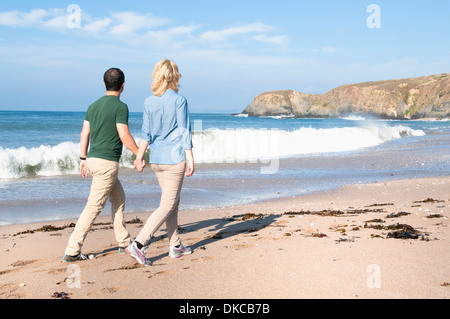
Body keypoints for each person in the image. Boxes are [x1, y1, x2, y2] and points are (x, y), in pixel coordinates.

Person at [62, 68, 139, 262]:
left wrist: (82, 159)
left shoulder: (93, 106)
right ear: (123, 86)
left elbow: (84, 134)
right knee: (93, 207)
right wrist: (139, 154)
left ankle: (123, 242)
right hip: (106, 164)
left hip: (92, 160)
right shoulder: (121, 107)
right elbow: (124, 135)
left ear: (104, 84)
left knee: (119, 198)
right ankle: (72, 250)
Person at [126, 59, 194, 267]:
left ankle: (175, 245)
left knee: (173, 201)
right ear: (174, 76)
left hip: (156, 159)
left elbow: (145, 133)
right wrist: (190, 157)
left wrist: (140, 156)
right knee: (168, 203)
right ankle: (139, 243)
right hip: (174, 160)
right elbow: (184, 131)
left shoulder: (149, 102)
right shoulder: (179, 100)